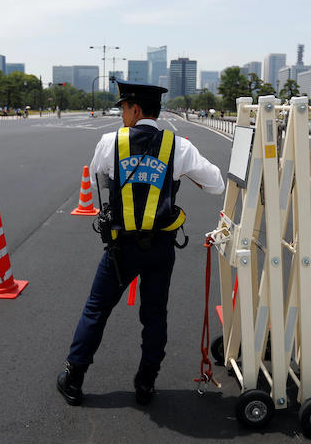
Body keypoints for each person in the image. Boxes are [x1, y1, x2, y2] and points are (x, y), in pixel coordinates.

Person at [57, 80, 225, 406]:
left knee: (96, 310)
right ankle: (146, 382)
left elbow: (100, 178)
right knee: (154, 315)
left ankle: (74, 379)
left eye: (123, 108)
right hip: (161, 248)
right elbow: (216, 184)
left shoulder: (110, 142)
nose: (121, 114)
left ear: (135, 109)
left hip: (121, 249)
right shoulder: (178, 147)